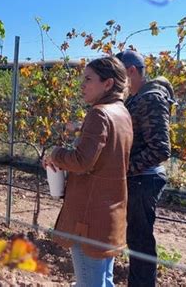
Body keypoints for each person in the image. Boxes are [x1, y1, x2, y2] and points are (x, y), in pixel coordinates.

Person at [43, 57, 133, 286]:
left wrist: (56, 154)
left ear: (108, 84)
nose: (82, 85)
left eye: (88, 79)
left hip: (89, 220)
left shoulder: (99, 113)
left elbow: (83, 161)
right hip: (109, 216)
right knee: (105, 280)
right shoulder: (122, 113)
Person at [116, 50, 175, 287]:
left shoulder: (151, 98)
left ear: (131, 71)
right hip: (136, 178)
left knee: (140, 242)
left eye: (119, 76)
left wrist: (125, 169)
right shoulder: (136, 97)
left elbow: (161, 149)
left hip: (143, 180)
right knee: (135, 239)